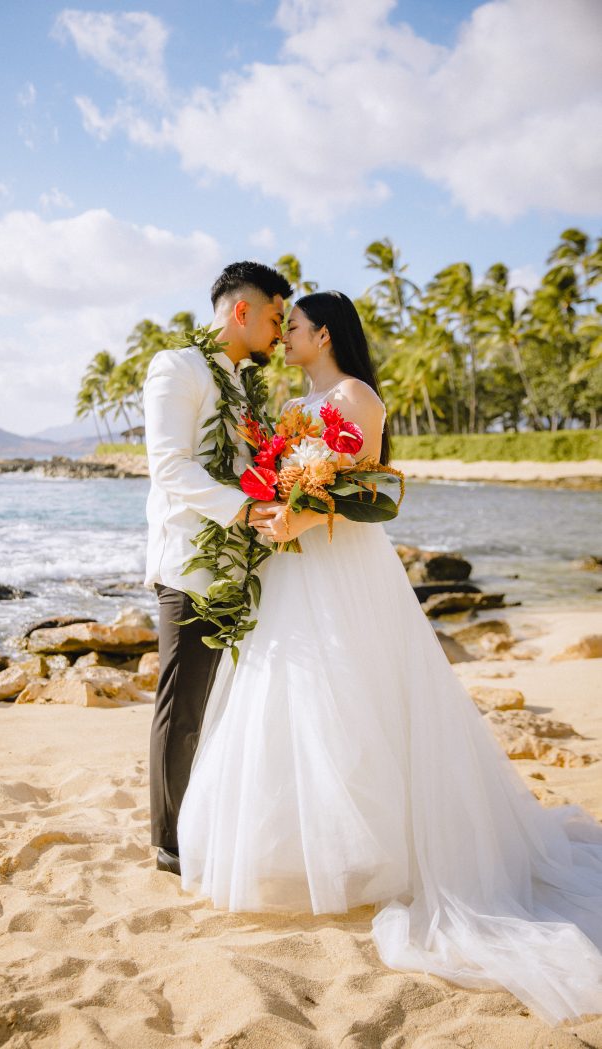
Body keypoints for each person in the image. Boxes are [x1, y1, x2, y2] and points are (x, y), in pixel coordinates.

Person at [176, 290, 602, 1025]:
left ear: (326, 333)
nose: (287, 337)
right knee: (296, 696)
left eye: (297, 327)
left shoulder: (357, 396)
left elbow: (365, 488)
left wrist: (296, 516)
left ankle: (384, 853)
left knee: (359, 692)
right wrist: (276, 509)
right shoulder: (294, 397)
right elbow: (290, 471)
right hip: (295, 564)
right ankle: (302, 852)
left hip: (343, 564)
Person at [143, 261, 293, 876]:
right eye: (277, 318)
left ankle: (205, 825)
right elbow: (171, 468)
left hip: (238, 566)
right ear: (242, 312)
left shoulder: (245, 383)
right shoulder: (175, 366)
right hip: (191, 566)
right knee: (182, 709)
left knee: (222, 707)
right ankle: (168, 844)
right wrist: (249, 509)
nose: (282, 333)